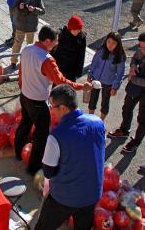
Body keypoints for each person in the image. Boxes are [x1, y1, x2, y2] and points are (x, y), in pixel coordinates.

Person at [14, 25, 88, 175]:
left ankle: (18, 152)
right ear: (47, 41)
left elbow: (21, 72)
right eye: (55, 41)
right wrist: (81, 86)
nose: (57, 44)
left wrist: (22, 86)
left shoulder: (27, 49)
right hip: (38, 102)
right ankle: (33, 167)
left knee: (25, 124)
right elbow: (61, 81)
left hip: (25, 96)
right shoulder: (47, 60)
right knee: (41, 135)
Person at [35, 85, 105, 230]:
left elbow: (48, 172)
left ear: (63, 108)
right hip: (92, 194)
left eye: (52, 105)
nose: (50, 109)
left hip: (64, 197)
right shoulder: (97, 122)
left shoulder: (56, 136)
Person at [108, 32, 145, 153]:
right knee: (127, 108)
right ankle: (124, 130)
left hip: (140, 85)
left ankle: (136, 142)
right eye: (140, 46)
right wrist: (133, 66)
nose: (141, 50)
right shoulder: (141, 51)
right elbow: (135, 58)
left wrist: (132, 77)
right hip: (134, 87)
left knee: (142, 118)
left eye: (144, 47)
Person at [88, 32, 126, 121]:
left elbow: (120, 74)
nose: (110, 45)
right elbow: (94, 63)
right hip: (95, 79)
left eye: (113, 43)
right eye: (108, 42)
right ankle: (90, 120)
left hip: (108, 83)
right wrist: (90, 75)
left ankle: (101, 122)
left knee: (105, 103)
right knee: (92, 100)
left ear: (118, 44)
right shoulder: (101, 50)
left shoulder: (120, 56)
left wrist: (115, 87)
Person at [10, 0, 45, 69]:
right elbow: (13, 10)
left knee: (30, 46)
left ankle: (28, 61)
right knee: (17, 44)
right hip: (20, 25)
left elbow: (43, 11)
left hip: (31, 26)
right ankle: (13, 62)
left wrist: (34, 9)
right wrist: (19, 8)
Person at [52, 15, 86, 81]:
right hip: (59, 68)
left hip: (72, 70)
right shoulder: (61, 34)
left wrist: (78, 72)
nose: (77, 31)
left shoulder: (82, 38)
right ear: (70, 28)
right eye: (75, 30)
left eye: (79, 30)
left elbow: (81, 55)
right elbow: (54, 51)